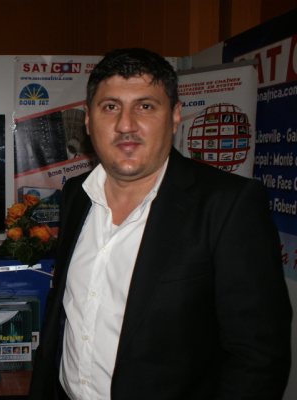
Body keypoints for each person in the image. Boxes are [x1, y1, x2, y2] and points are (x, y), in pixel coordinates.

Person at [29, 48, 292, 400]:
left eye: (145, 106)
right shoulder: (77, 194)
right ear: (89, 121)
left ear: (175, 116)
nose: (126, 125)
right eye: (110, 107)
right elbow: (63, 314)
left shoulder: (228, 205)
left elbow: (259, 357)